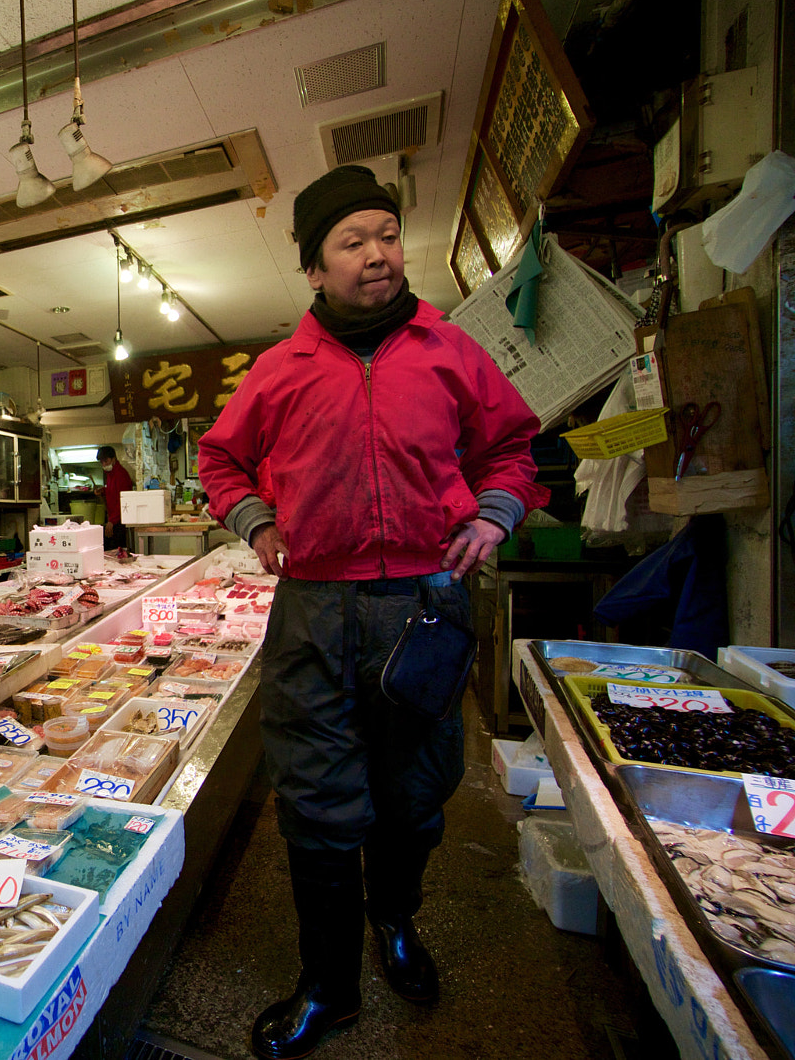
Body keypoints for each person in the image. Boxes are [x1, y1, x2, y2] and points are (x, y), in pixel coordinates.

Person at [198, 164, 547, 1059]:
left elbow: (511, 446)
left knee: (416, 794)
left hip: (424, 603)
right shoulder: (281, 370)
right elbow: (222, 461)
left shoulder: (449, 349)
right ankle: (329, 985)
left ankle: (395, 921)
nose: (377, 255)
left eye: (387, 235)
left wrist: (499, 511)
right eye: (352, 242)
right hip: (313, 611)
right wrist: (255, 518)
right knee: (315, 803)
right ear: (315, 269)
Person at [95, 445, 134, 549]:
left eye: (106, 461)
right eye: (101, 462)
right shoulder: (110, 474)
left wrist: (112, 520)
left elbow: (123, 500)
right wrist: (103, 491)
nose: (104, 464)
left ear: (113, 459)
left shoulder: (121, 474)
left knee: (117, 552)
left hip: (120, 521)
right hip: (114, 520)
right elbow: (113, 492)